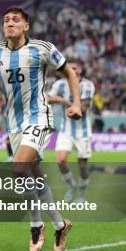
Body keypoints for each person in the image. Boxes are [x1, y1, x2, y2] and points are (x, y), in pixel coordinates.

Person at [0, 6, 82, 251]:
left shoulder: (42, 48)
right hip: (13, 122)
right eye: (6, 20)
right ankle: (60, 224)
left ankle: (36, 224)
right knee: (33, 172)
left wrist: (76, 102)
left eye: (16, 20)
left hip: (39, 117)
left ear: (26, 26)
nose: (10, 23)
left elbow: (68, 72)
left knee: (18, 167)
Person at [48, 60, 95, 203]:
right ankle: (71, 186)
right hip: (66, 129)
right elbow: (47, 98)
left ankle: (82, 194)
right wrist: (60, 101)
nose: (72, 70)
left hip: (83, 131)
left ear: (80, 70)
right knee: (60, 160)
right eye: (69, 68)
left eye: (75, 68)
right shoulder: (59, 84)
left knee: (82, 165)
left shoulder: (87, 85)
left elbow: (83, 109)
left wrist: (66, 103)